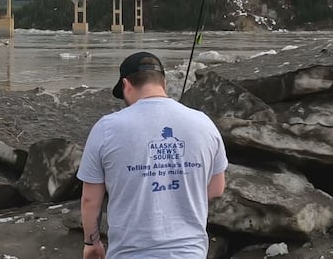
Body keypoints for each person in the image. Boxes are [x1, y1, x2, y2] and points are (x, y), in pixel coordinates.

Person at [78, 52, 228, 259]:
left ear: (126, 85)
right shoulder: (204, 123)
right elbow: (216, 189)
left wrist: (92, 242)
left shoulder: (106, 128)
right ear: (164, 83)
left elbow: (89, 200)